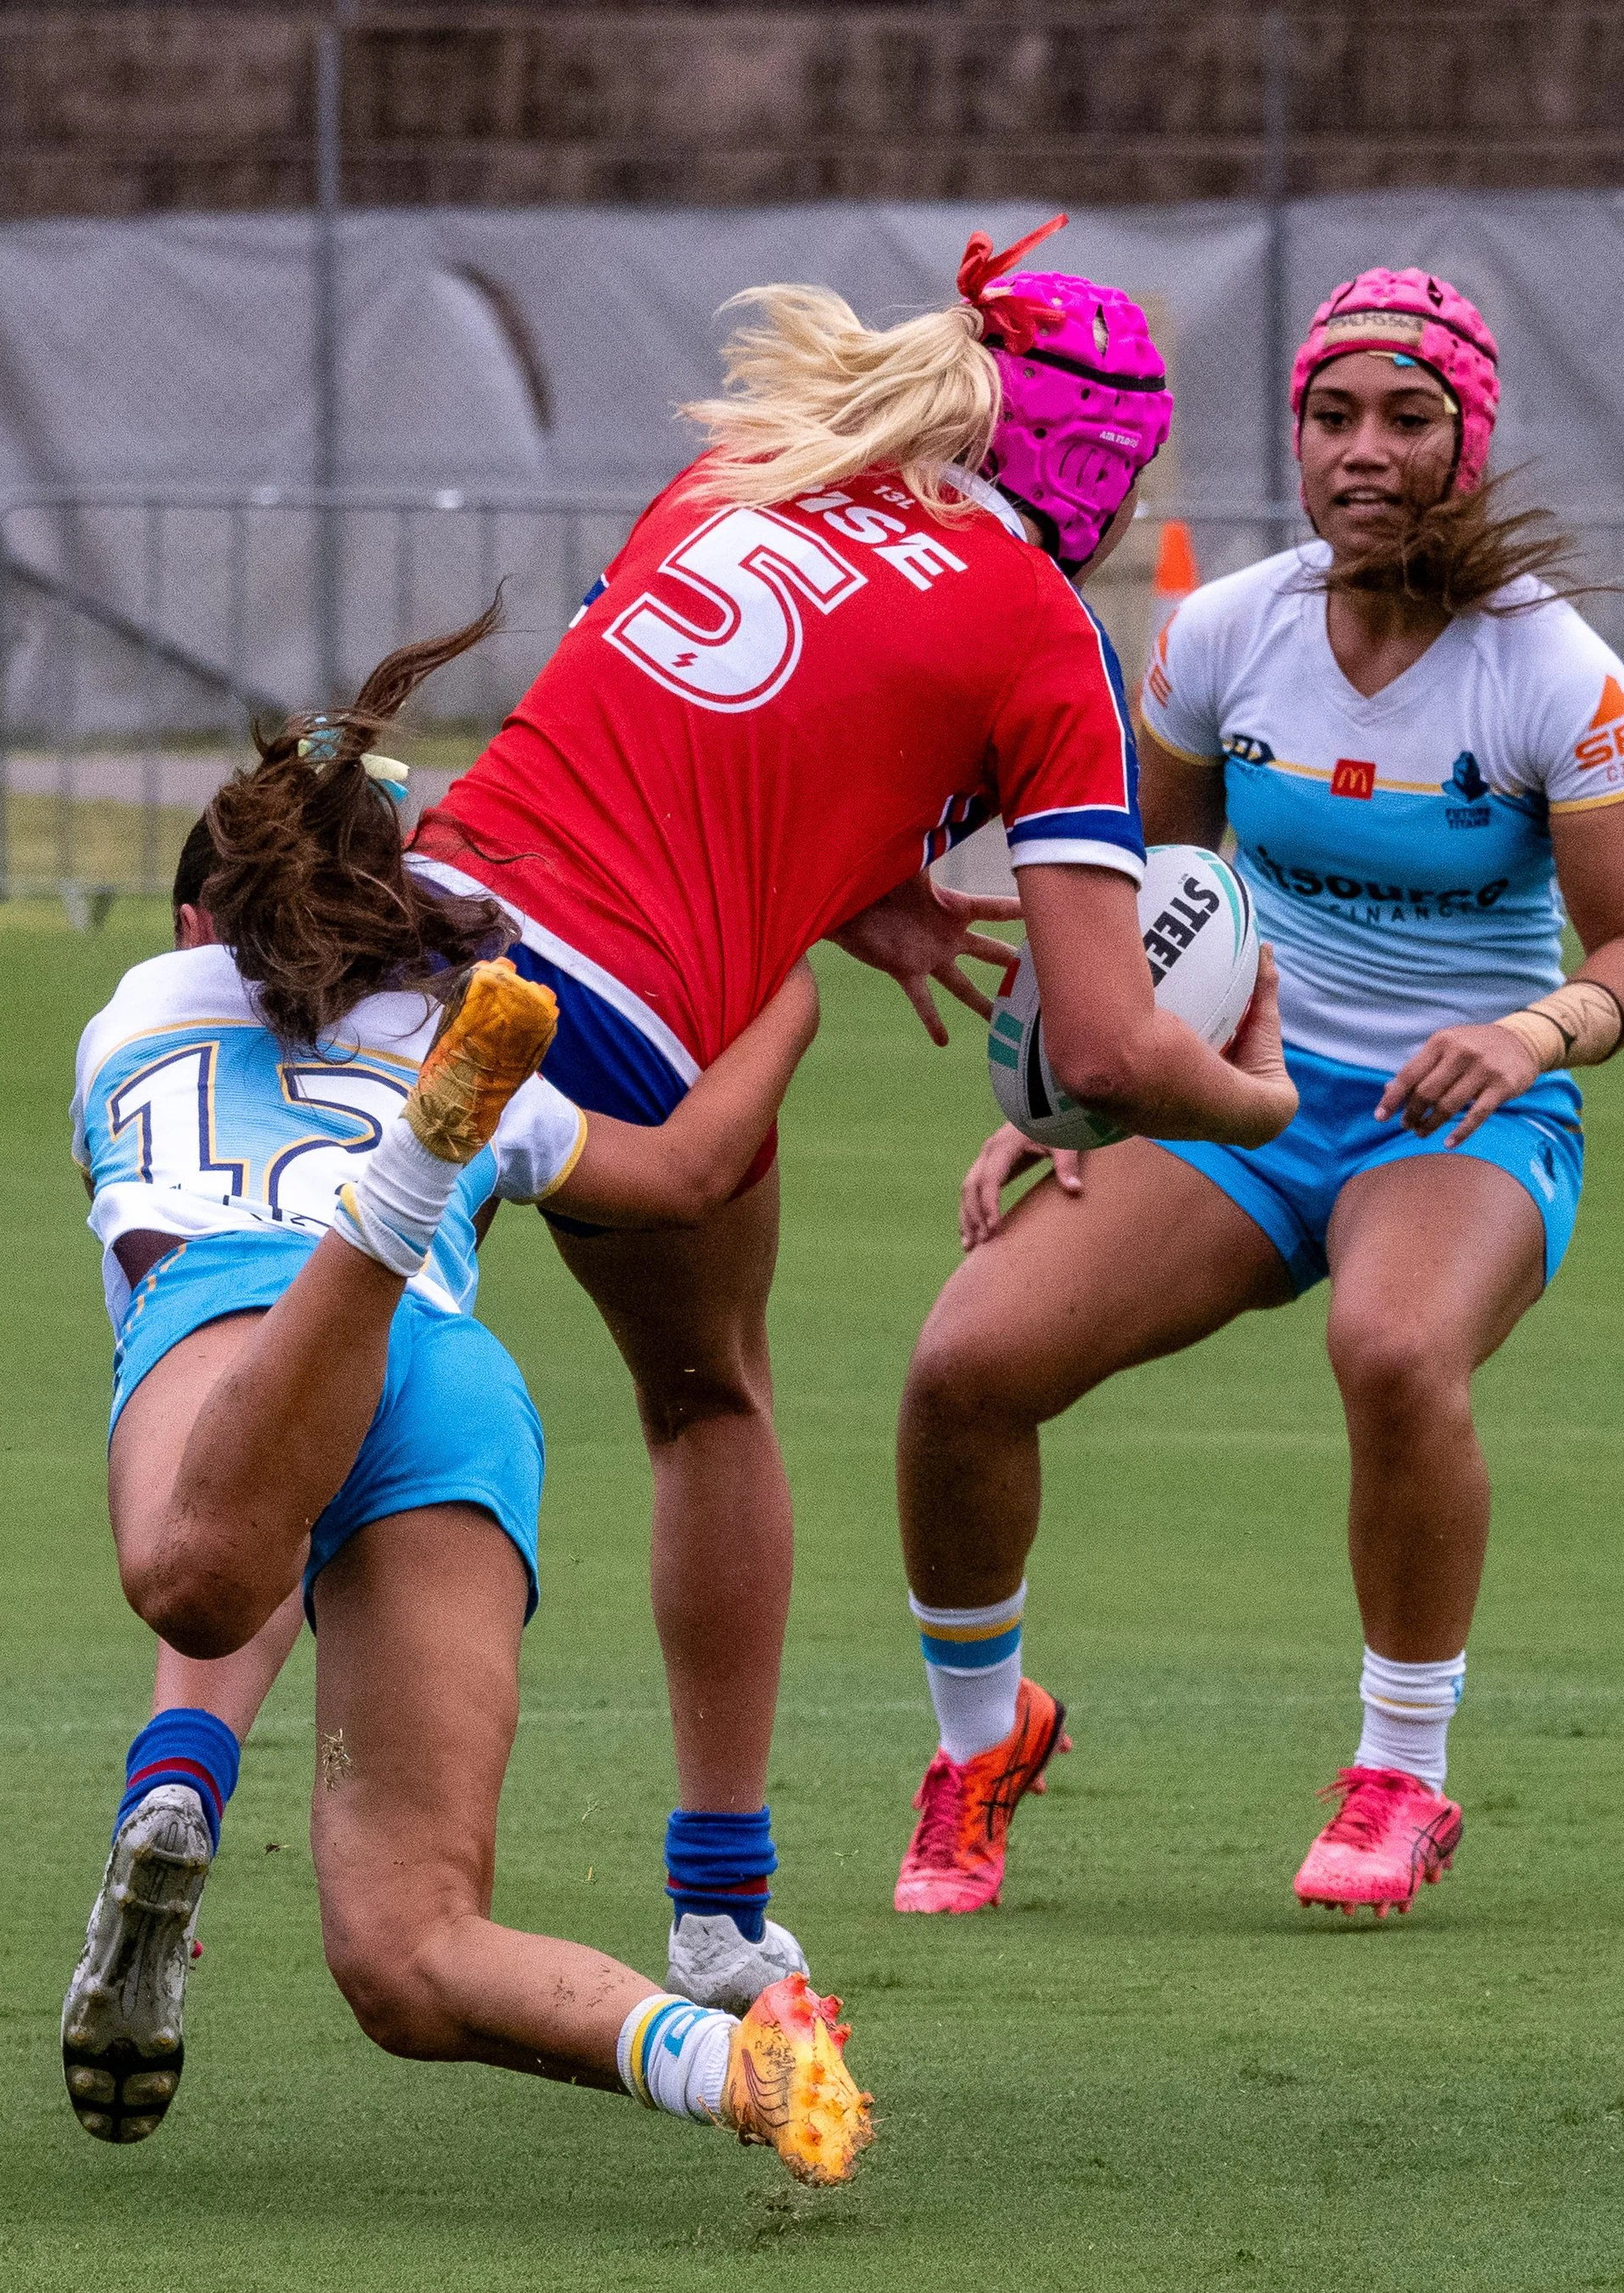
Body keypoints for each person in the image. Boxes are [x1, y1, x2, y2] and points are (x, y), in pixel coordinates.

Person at [400, 219, 1297, 2004]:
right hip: (630, 1023)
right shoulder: (1044, 636)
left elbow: (649, 745)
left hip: (418, 925)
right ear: (1102, 476)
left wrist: (848, 870)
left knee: (306, 1352)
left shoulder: (737, 472)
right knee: (702, 1399)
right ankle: (719, 1918)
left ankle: (175, 1779)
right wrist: (1258, 1099)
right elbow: (1107, 1051)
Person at [891, 267, 1624, 1919]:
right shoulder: (1220, 631)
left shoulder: (1561, 676)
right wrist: (1067, 1093)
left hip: (1461, 1114)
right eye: (1334, 416)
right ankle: (982, 1744)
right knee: (964, 1364)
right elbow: (1160, 894)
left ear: (1470, 440)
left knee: (1391, 1345)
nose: (1365, 449)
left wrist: (1541, 1033)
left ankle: (1401, 1773)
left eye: (1408, 417)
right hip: (1236, 1094)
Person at [59, 613, 871, 2186]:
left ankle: (177, 1777)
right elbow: (697, 1169)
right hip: (445, 1385)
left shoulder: (134, 1010)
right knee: (411, 1955)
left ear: (189, 915)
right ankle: (741, 2065)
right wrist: (792, 984)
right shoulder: (458, 1024)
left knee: (197, 1575)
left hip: (238, 1312)